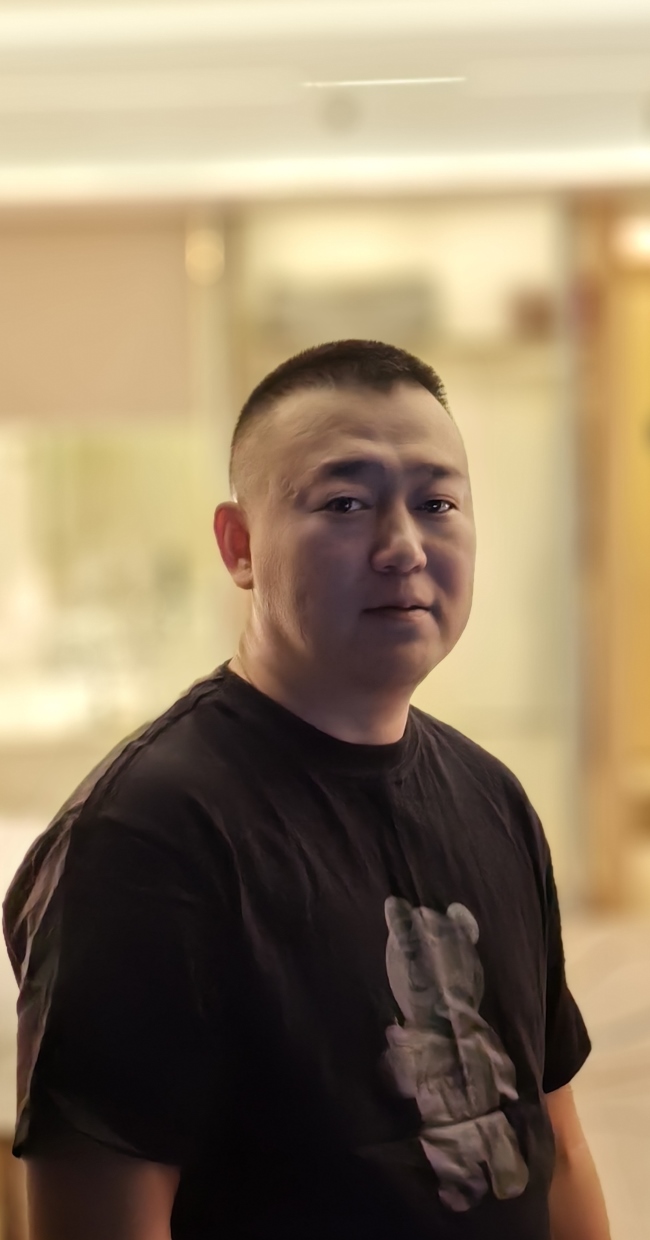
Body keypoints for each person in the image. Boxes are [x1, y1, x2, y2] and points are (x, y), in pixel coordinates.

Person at [3, 339, 609, 1240]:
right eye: (345, 504)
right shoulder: (145, 837)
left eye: (437, 504)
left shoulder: (494, 798)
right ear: (240, 545)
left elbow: (558, 1143)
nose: (403, 547)